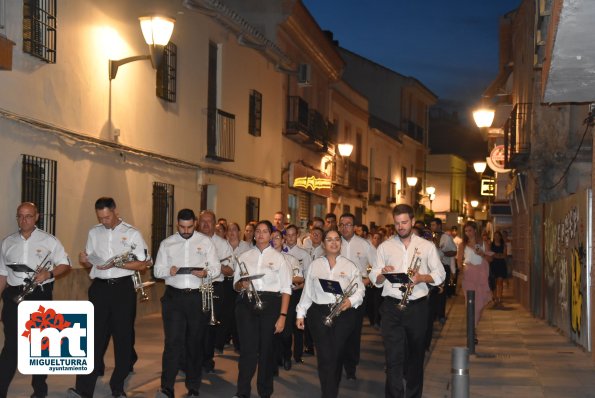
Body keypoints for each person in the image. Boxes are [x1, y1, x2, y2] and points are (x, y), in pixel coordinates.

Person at [68, 197, 150, 398]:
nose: (104, 221)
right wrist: (84, 260)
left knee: (123, 339)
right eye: (100, 218)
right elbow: (90, 263)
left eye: (107, 216)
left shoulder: (132, 233)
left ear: (115, 211)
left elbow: (144, 263)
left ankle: (117, 386)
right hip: (99, 289)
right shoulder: (94, 232)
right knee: (93, 339)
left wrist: (117, 264)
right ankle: (83, 389)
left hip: (123, 290)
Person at [369, 204, 445, 398]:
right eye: (397, 223)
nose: (401, 226)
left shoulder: (426, 246)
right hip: (391, 307)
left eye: (404, 222)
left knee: (415, 356)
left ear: (412, 221)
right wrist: (382, 274)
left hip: (417, 308)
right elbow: (374, 276)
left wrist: (422, 278)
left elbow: (440, 274)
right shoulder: (385, 246)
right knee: (393, 357)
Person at [0, 202, 71, 398]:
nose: (24, 220)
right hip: (14, 296)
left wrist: (48, 274)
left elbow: (65, 264)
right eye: (20, 216)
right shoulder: (7, 242)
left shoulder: (49, 241)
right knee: (11, 346)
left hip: (38, 295)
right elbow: (2, 274)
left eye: (28, 216)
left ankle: (39, 390)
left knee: (39, 345)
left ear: (37, 217)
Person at [154, 209, 221, 398]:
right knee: (172, 343)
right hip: (174, 298)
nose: (186, 230)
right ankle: (167, 387)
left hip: (196, 297)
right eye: (182, 227)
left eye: (189, 227)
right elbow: (157, 271)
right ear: (177, 225)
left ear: (195, 224)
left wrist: (205, 272)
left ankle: (193, 387)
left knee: (195, 343)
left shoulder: (205, 242)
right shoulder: (167, 244)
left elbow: (216, 268)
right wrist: (170, 270)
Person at [296, 229, 364, 398]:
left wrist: (350, 301)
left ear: (340, 243)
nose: (333, 243)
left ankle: (330, 390)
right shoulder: (315, 264)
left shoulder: (349, 265)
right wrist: (300, 313)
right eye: (329, 240)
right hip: (318, 314)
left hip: (343, 314)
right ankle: (329, 392)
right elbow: (308, 292)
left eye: (336, 240)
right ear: (324, 244)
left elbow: (360, 290)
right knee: (325, 356)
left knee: (336, 354)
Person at [232, 220, 291, 398]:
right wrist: (242, 284)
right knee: (247, 351)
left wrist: (282, 316)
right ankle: (242, 392)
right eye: (257, 231)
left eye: (265, 231)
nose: (260, 234)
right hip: (247, 304)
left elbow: (286, 289)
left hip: (271, 304)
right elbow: (235, 286)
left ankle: (265, 392)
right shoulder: (244, 256)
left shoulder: (279, 258)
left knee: (267, 351)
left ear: (271, 235)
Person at [338, 213, 376, 380]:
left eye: (348, 224)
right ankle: (336, 363)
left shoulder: (364, 244)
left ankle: (351, 366)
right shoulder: (333, 242)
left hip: (357, 293)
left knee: (353, 330)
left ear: (354, 227)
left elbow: (377, 267)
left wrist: (366, 282)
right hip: (336, 292)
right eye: (342, 224)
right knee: (336, 329)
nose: (345, 227)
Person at [197, 210, 233, 374]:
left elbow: (231, 270)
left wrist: (215, 266)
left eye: (209, 221)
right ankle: (190, 359)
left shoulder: (222, 244)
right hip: (194, 287)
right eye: (202, 221)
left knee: (210, 327)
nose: (205, 224)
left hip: (214, 287)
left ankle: (206, 359)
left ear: (215, 223)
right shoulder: (191, 240)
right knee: (194, 325)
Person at [216, 222, 251, 354]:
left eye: (234, 230)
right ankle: (219, 343)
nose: (231, 232)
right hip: (225, 282)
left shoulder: (245, 247)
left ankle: (238, 344)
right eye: (229, 230)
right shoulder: (222, 246)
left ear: (239, 232)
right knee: (225, 314)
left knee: (238, 314)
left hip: (240, 282)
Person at [456, 221, 492, 344]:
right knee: (470, 303)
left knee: (480, 303)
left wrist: (483, 254)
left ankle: (474, 328)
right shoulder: (462, 245)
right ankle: (473, 331)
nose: (468, 233)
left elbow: (489, 258)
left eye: (470, 230)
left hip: (481, 275)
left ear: (475, 230)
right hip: (469, 276)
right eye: (466, 231)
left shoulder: (483, 243)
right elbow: (459, 260)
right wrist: (462, 268)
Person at [283, 225, 311, 365]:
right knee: (286, 325)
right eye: (288, 235)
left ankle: (298, 354)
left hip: (298, 292)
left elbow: (308, 276)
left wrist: (300, 286)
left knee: (298, 324)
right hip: (284, 292)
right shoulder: (280, 251)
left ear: (297, 235)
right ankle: (286, 355)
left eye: (293, 235)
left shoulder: (304, 254)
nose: (290, 238)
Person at [429, 218, 457, 325]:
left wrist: (443, 252)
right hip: (431, 268)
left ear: (439, 225)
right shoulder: (428, 238)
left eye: (434, 225)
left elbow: (454, 252)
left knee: (441, 292)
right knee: (432, 292)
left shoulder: (447, 238)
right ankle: (433, 314)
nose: (432, 227)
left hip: (443, 267)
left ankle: (441, 315)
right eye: (431, 225)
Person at [490, 230, 508, 307]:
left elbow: (504, 255)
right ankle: (494, 297)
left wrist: (496, 255)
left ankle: (500, 297)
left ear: (500, 237)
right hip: (493, 265)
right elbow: (491, 254)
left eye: (498, 236)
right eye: (495, 236)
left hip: (501, 265)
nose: (496, 237)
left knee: (500, 282)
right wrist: (497, 255)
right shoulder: (491, 245)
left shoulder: (503, 245)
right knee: (493, 282)